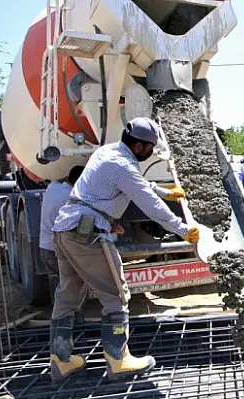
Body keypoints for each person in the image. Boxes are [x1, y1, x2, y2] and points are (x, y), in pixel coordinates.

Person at [49, 117, 200, 383]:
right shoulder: (122, 166)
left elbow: (136, 184)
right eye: (151, 147)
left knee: (68, 295)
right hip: (87, 234)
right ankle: (119, 361)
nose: (152, 151)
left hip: (65, 230)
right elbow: (147, 203)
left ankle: (62, 361)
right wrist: (183, 230)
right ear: (140, 146)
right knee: (116, 295)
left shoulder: (108, 152)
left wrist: (165, 191)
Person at [39, 166, 85, 303]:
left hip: (45, 249)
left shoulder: (52, 188)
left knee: (59, 286)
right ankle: (74, 320)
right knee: (75, 288)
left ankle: (59, 318)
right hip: (59, 252)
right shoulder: (73, 199)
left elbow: (59, 178)